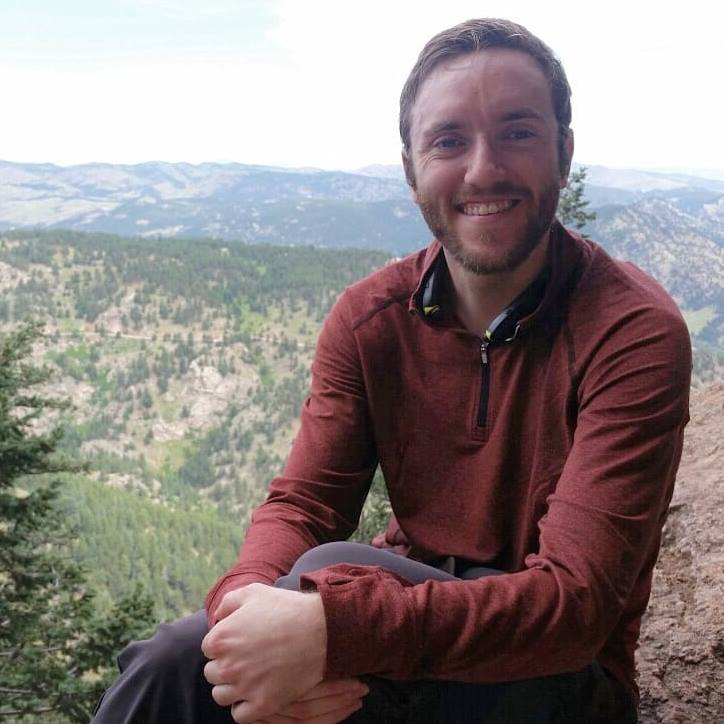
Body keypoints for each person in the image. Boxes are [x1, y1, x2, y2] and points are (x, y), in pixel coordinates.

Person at [93, 17, 691, 724]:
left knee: (319, 578)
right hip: (410, 628)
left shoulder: (630, 331)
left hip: (560, 677)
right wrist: (242, 615)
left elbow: (574, 605)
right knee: (175, 661)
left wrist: (332, 630)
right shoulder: (370, 319)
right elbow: (305, 504)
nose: (483, 168)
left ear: (563, 153)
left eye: (518, 132)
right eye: (448, 141)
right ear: (411, 172)